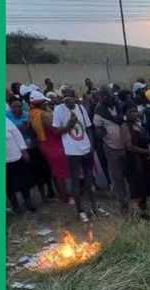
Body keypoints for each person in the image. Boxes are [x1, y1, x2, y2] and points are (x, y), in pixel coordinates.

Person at [53, 87, 99, 222]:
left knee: (89, 179)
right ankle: (80, 211)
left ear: (75, 97)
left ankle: (94, 206)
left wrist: (91, 145)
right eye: (65, 97)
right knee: (75, 181)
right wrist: (68, 126)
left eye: (70, 96)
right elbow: (56, 132)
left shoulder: (80, 108)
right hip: (72, 152)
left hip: (86, 149)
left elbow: (88, 128)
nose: (68, 99)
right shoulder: (59, 110)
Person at [31, 91, 70, 206]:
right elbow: (56, 131)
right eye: (45, 103)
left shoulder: (32, 113)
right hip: (53, 144)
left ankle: (63, 195)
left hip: (44, 143)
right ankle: (65, 197)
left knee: (56, 172)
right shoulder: (44, 115)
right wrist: (69, 126)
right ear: (42, 103)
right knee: (60, 173)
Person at [95, 90, 130, 213]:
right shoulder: (99, 111)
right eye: (105, 97)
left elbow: (127, 119)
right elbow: (97, 128)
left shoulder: (120, 106)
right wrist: (102, 133)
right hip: (111, 147)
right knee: (118, 176)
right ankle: (123, 202)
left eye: (109, 96)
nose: (108, 98)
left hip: (126, 146)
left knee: (129, 174)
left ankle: (133, 199)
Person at [121, 102, 150, 216]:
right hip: (134, 160)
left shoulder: (138, 124)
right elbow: (129, 146)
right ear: (125, 114)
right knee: (137, 186)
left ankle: (144, 210)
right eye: (130, 112)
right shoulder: (124, 126)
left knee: (144, 185)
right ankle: (139, 212)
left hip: (144, 159)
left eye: (135, 111)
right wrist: (147, 151)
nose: (134, 114)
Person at [6, 109, 37, 214]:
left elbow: (18, 136)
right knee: (7, 186)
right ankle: (15, 206)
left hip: (16, 156)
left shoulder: (6, 121)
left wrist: (24, 152)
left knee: (23, 182)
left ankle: (28, 203)